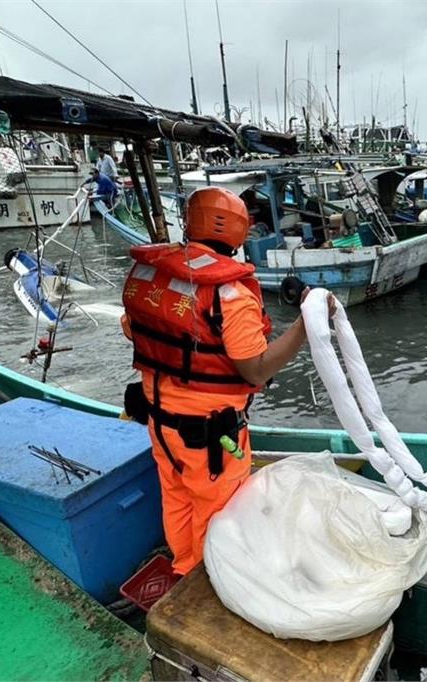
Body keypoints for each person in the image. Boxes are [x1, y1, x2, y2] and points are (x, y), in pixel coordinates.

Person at [120, 186, 323, 576]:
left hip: (159, 423)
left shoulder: (150, 273)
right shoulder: (229, 293)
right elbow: (256, 369)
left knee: (177, 499)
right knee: (218, 513)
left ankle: (183, 568)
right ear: (238, 232)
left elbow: (133, 330)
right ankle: (208, 583)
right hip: (209, 436)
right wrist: (304, 326)